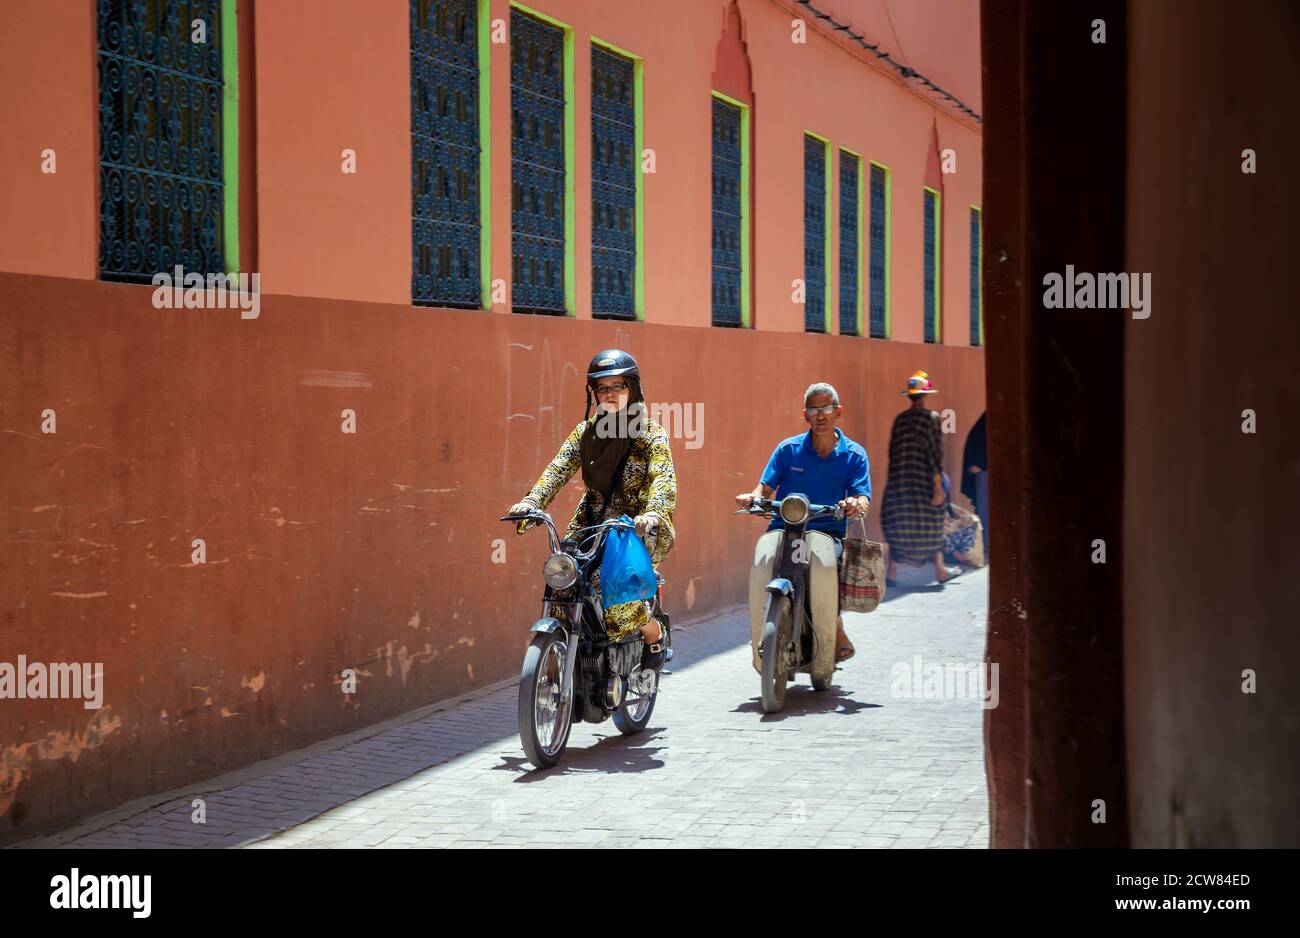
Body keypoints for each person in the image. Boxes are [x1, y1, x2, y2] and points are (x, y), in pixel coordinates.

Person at [507, 349, 676, 669]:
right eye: (603, 388)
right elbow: (558, 469)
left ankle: (653, 633)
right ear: (594, 393)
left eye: (619, 386)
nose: (610, 394)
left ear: (633, 389)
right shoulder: (586, 434)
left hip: (635, 525)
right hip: (592, 522)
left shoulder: (651, 435)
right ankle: (556, 673)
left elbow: (662, 480)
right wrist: (532, 502)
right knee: (562, 580)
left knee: (610, 588)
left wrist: (653, 513)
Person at [736, 382, 871, 671]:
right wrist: (754, 497)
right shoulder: (788, 450)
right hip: (783, 527)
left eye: (826, 408)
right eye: (814, 409)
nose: (820, 415)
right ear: (805, 415)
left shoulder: (854, 454)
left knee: (826, 567)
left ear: (838, 411)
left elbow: (862, 496)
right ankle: (761, 631)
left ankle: (834, 625)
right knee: (762, 562)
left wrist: (856, 504)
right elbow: (765, 487)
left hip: (828, 531)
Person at [880, 370, 959, 585]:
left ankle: (892, 573)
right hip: (924, 482)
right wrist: (938, 486)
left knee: (897, 524)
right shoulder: (931, 419)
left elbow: (892, 452)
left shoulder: (900, 420)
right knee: (933, 521)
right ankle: (940, 569)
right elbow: (934, 454)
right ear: (925, 395)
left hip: (899, 482)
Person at [960, 411, 989, 553]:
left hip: (984, 468)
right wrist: (982, 464)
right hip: (982, 469)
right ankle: (984, 545)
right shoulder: (987, 422)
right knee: (985, 509)